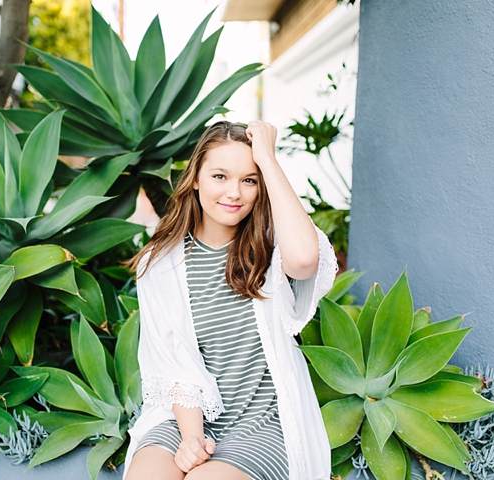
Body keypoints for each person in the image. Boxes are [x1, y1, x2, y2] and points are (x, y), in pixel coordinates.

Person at [124, 120, 337, 480]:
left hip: (262, 422)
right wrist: (192, 439)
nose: (234, 193)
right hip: (186, 417)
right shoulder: (160, 264)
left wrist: (267, 159)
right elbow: (175, 362)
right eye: (220, 176)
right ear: (195, 178)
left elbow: (304, 260)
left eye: (249, 180)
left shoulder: (271, 248)